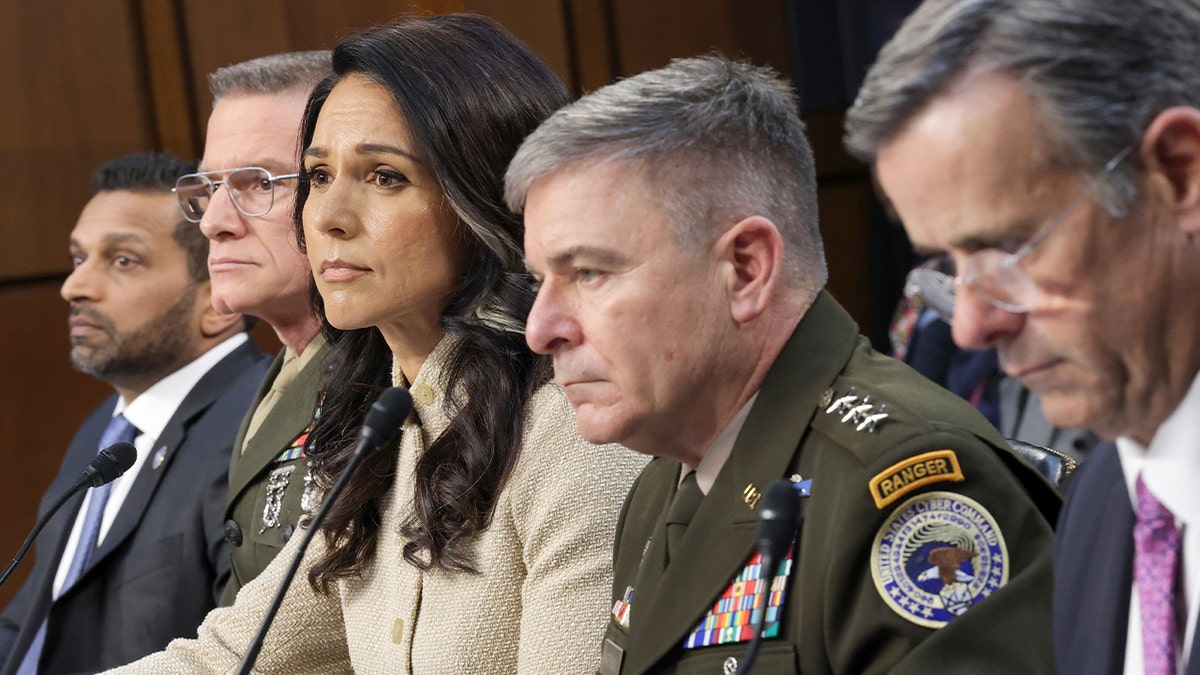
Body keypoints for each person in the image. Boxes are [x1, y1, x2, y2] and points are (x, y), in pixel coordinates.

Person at [106, 15, 644, 673]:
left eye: (385, 176)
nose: (329, 216)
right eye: (319, 175)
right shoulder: (380, 425)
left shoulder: (575, 433)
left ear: (486, 199)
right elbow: (225, 657)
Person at [506, 55, 1061, 674]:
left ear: (746, 269)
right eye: (540, 281)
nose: (540, 329)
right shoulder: (664, 484)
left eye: (589, 273)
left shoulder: (910, 486)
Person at [844, 0, 1200, 672]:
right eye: (950, 265)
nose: (975, 325)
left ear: (1179, 174)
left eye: (1009, 249)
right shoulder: (1101, 502)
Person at [0, 153, 270, 674]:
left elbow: (251, 650)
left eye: (123, 260)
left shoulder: (255, 424)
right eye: (79, 259)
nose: (74, 288)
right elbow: (35, 623)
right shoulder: (108, 427)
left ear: (219, 301)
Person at [183, 50, 333, 606]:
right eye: (208, 187)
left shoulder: (391, 376)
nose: (216, 223)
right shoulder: (282, 370)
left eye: (257, 183)